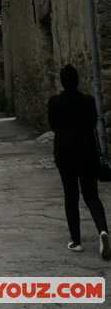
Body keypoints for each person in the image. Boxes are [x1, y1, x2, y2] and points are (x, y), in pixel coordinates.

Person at [47, 64, 111, 258]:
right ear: (78, 80)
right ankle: (102, 231)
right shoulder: (88, 101)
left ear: (62, 81)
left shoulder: (54, 102)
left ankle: (76, 241)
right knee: (92, 196)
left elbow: (53, 126)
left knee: (71, 196)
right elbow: (93, 122)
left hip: (65, 155)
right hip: (87, 154)